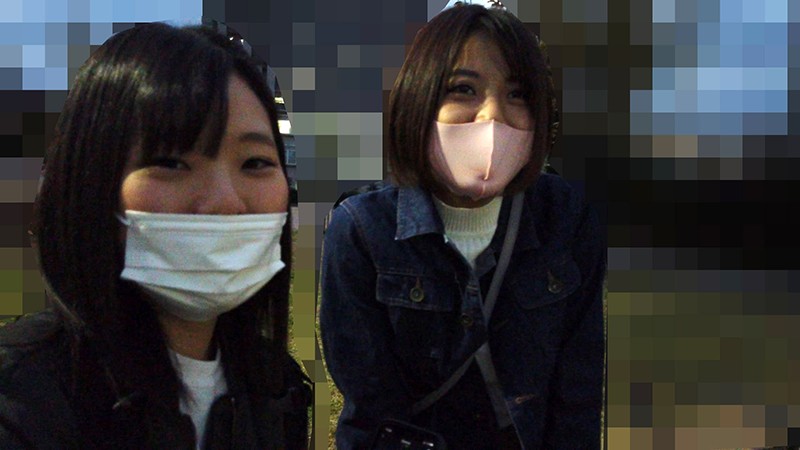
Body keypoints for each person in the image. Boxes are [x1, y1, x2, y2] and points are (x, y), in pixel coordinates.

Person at [0, 23, 310, 449]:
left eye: (255, 163)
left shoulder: (278, 388)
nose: (226, 201)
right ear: (89, 181)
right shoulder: (22, 403)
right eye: (171, 162)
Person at [320, 4, 605, 449]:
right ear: (418, 99)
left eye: (518, 94)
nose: (493, 116)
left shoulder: (567, 217)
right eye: (463, 89)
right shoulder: (362, 229)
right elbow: (372, 405)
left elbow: (578, 393)